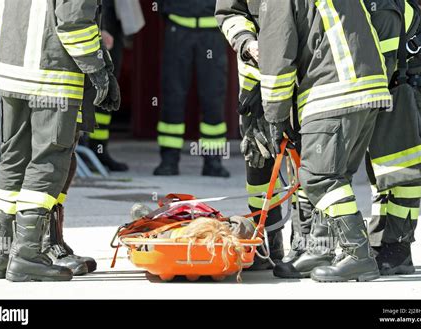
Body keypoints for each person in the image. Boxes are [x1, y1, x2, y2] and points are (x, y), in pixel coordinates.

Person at [256, 0, 392, 282]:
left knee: (320, 178)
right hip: (368, 88)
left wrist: (276, 116)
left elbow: (277, 53)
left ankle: (358, 255)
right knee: (338, 175)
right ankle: (321, 250)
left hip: (334, 90)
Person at [0, 0, 118, 282]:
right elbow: (73, 21)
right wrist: (98, 70)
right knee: (49, 160)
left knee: (13, 160)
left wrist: (10, 55)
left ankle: (2, 254)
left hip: (12, 74)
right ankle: (28, 256)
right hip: (53, 77)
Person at [365, 0, 421, 275]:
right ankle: (379, 241)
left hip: (413, 79)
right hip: (395, 78)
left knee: (405, 162)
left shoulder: (380, 5)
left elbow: (383, 63)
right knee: (382, 162)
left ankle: (398, 249)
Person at [215, 0, 285, 270]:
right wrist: (246, 42)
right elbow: (230, 12)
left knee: (309, 164)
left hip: (308, 77)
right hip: (258, 83)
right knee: (259, 164)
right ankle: (266, 245)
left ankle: (309, 245)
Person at [153, 0, 230, 177]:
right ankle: (169, 160)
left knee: (213, 97)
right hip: (178, 27)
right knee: (173, 95)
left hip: (212, 32)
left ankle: (213, 161)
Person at [87, 0, 144, 172]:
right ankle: (86, 151)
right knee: (91, 90)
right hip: (90, 26)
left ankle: (99, 149)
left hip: (112, 25)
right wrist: (99, 28)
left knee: (108, 92)